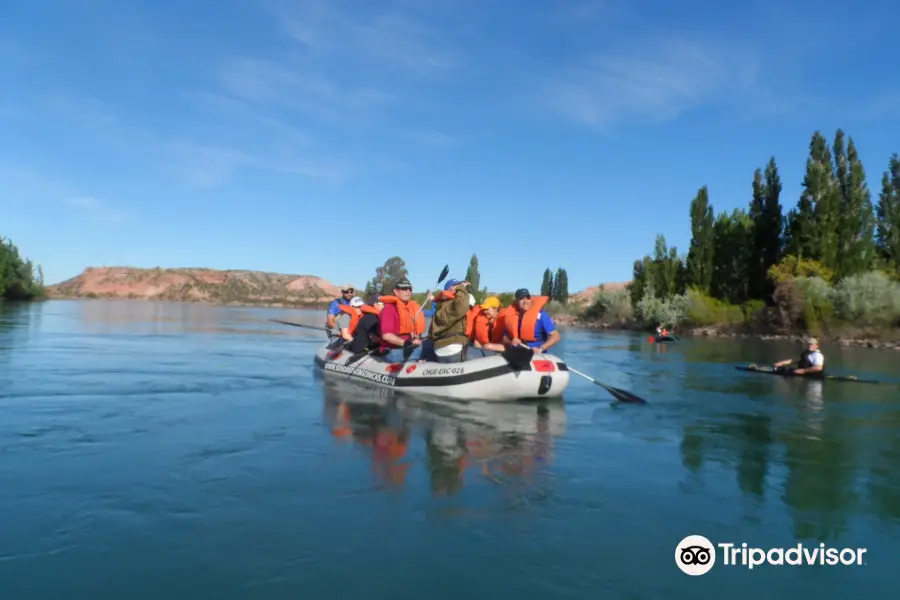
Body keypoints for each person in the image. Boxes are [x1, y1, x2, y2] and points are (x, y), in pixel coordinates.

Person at [421, 279, 473, 363]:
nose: (460, 285)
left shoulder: (441, 305)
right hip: (452, 349)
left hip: (442, 348)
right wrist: (461, 288)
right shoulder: (449, 304)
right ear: (450, 289)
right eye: (457, 284)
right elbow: (462, 305)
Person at [378, 278, 427, 362]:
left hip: (408, 347)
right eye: (404, 289)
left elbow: (405, 330)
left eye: (410, 289)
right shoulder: (389, 309)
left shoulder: (406, 308)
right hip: (394, 351)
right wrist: (408, 343)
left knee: (427, 345)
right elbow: (387, 336)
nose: (409, 291)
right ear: (396, 291)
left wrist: (413, 336)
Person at [503, 288, 561, 353]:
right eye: (521, 298)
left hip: (536, 353)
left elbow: (556, 336)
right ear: (516, 301)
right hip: (518, 352)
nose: (525, 301)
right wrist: (511, 342)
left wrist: (541, 348)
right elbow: (504, 338)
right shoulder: (512, 317)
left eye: (527, 298)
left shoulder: (541, 315)